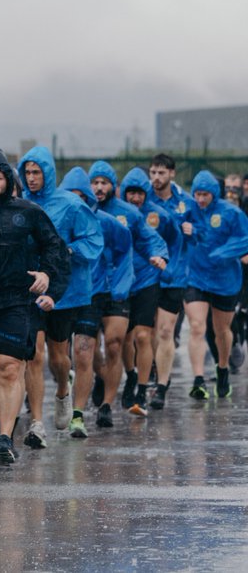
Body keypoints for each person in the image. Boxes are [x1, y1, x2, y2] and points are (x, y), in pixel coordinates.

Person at [0, 150, 69, 467]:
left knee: (9, 366)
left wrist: (48, 278)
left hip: (18, 300)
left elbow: (54, 246)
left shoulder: (27, 211)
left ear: (7, 180)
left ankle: (3, 437)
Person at [17, 148, 103, 446]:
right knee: (34, 354)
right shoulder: (20, 203)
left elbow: (94, 239)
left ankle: (63, 392)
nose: (31, 178)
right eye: (27, 172)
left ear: (48, 173)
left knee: (58, 357)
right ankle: (37, 422)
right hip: (30, 288)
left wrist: (67, 251)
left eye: (36, 172)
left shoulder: (71, 204)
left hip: (63, 292)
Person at [89, 161, 168, 419]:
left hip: (136, 283)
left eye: (104, 183)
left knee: (129, 339)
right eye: (95, 182)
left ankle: (136, 389)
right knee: (92, 347)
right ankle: (111, 375)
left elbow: (150, 239)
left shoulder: (130, 214)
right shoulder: (82, 210)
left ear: (114, 186)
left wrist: (160, 256)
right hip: (93, 285)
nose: (100, 188)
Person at [61, 166, 131, 434]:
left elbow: (127, 250)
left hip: (106, 290)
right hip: (76, 293)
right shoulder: (57, 221)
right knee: (81, 353)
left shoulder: (107, 221)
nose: (76, 202)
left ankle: (105, 406)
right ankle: (80, 406)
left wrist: (121, 283)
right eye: (71, 195)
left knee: (112, 345)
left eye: (81, 196)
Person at [181, 170, 248, 399]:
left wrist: (224, 252)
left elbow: (244, 238)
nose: (200, 199)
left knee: (222, 331)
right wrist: (188, 233)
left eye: (205, 195)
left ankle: (222, 368)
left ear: (214, 194)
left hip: (225, 279)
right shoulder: (188, 210)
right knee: (198, 326)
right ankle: (198, 379)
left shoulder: (231, 212)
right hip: (196, 276)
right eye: (197, 194)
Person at [120, 167, 180, 413]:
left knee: (144, 336)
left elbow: (174, 242)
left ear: (146, 193)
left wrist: (166, 265)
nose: (135, 198)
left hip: (148, 280)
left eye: (139, 193)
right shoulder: (115, 214)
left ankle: (142, 389)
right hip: (122, 282)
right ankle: (131, 374)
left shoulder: (159, 215)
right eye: (130, 193)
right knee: (124, 338)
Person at [147, 153, 195, 409]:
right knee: (146, 334)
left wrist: (193, 231)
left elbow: (201, 236)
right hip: (146, 276)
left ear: (172, 174)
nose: (156, 177)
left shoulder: (186, 202)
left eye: (161, 173)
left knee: (165, 331)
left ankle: (162, 385)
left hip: (174, 276)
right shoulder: (142, 199)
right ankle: (149, 371)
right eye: (153, 172)